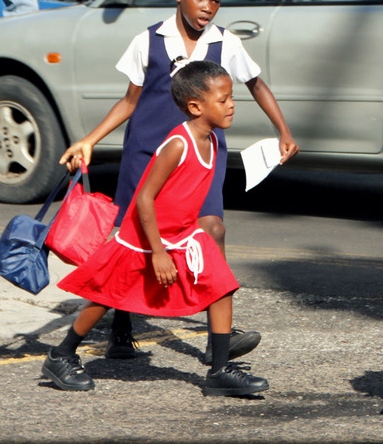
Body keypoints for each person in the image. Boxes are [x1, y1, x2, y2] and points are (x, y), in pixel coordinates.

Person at [59, 0, 298, 363]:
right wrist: (90, 139)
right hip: (148, 154)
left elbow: (256, 84)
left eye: (216, 1)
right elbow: (130, 101)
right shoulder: (148, 40)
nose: (208, 7)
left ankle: (216, 336)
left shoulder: (226, 42)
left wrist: (283, 131)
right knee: (129, 245)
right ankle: (120, 326)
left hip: (201, 159)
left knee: (212, 230)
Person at [44, 61, 269, 396]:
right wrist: (159, 253)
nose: (231, 104)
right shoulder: (178, 143)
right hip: (143, 239)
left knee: (221, 286)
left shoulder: (213, 139)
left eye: (231, 97)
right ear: (196, 107)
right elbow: (145, 198)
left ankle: (220, 371)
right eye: (223, 100)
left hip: (182, 234)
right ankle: (61, 354)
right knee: (105, 296)